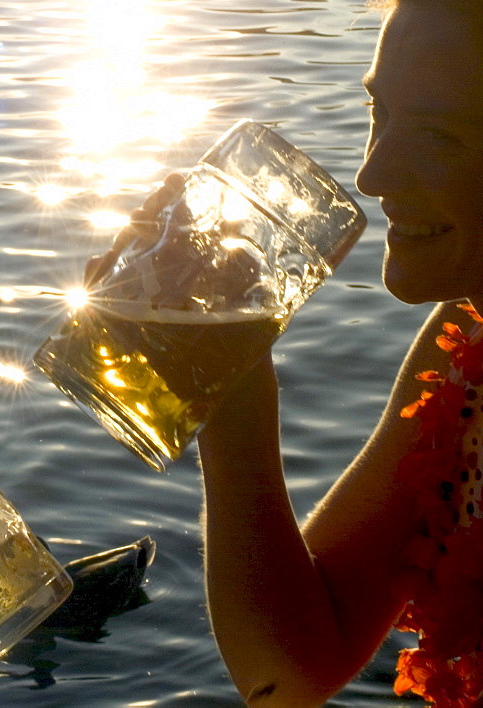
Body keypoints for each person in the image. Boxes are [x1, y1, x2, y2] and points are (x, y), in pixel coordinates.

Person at [184, 0, 483, 705]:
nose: (373, 174)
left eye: (438, 136)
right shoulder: (465, 349)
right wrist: (231, 400)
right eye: (380, 113)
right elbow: (289, 675)